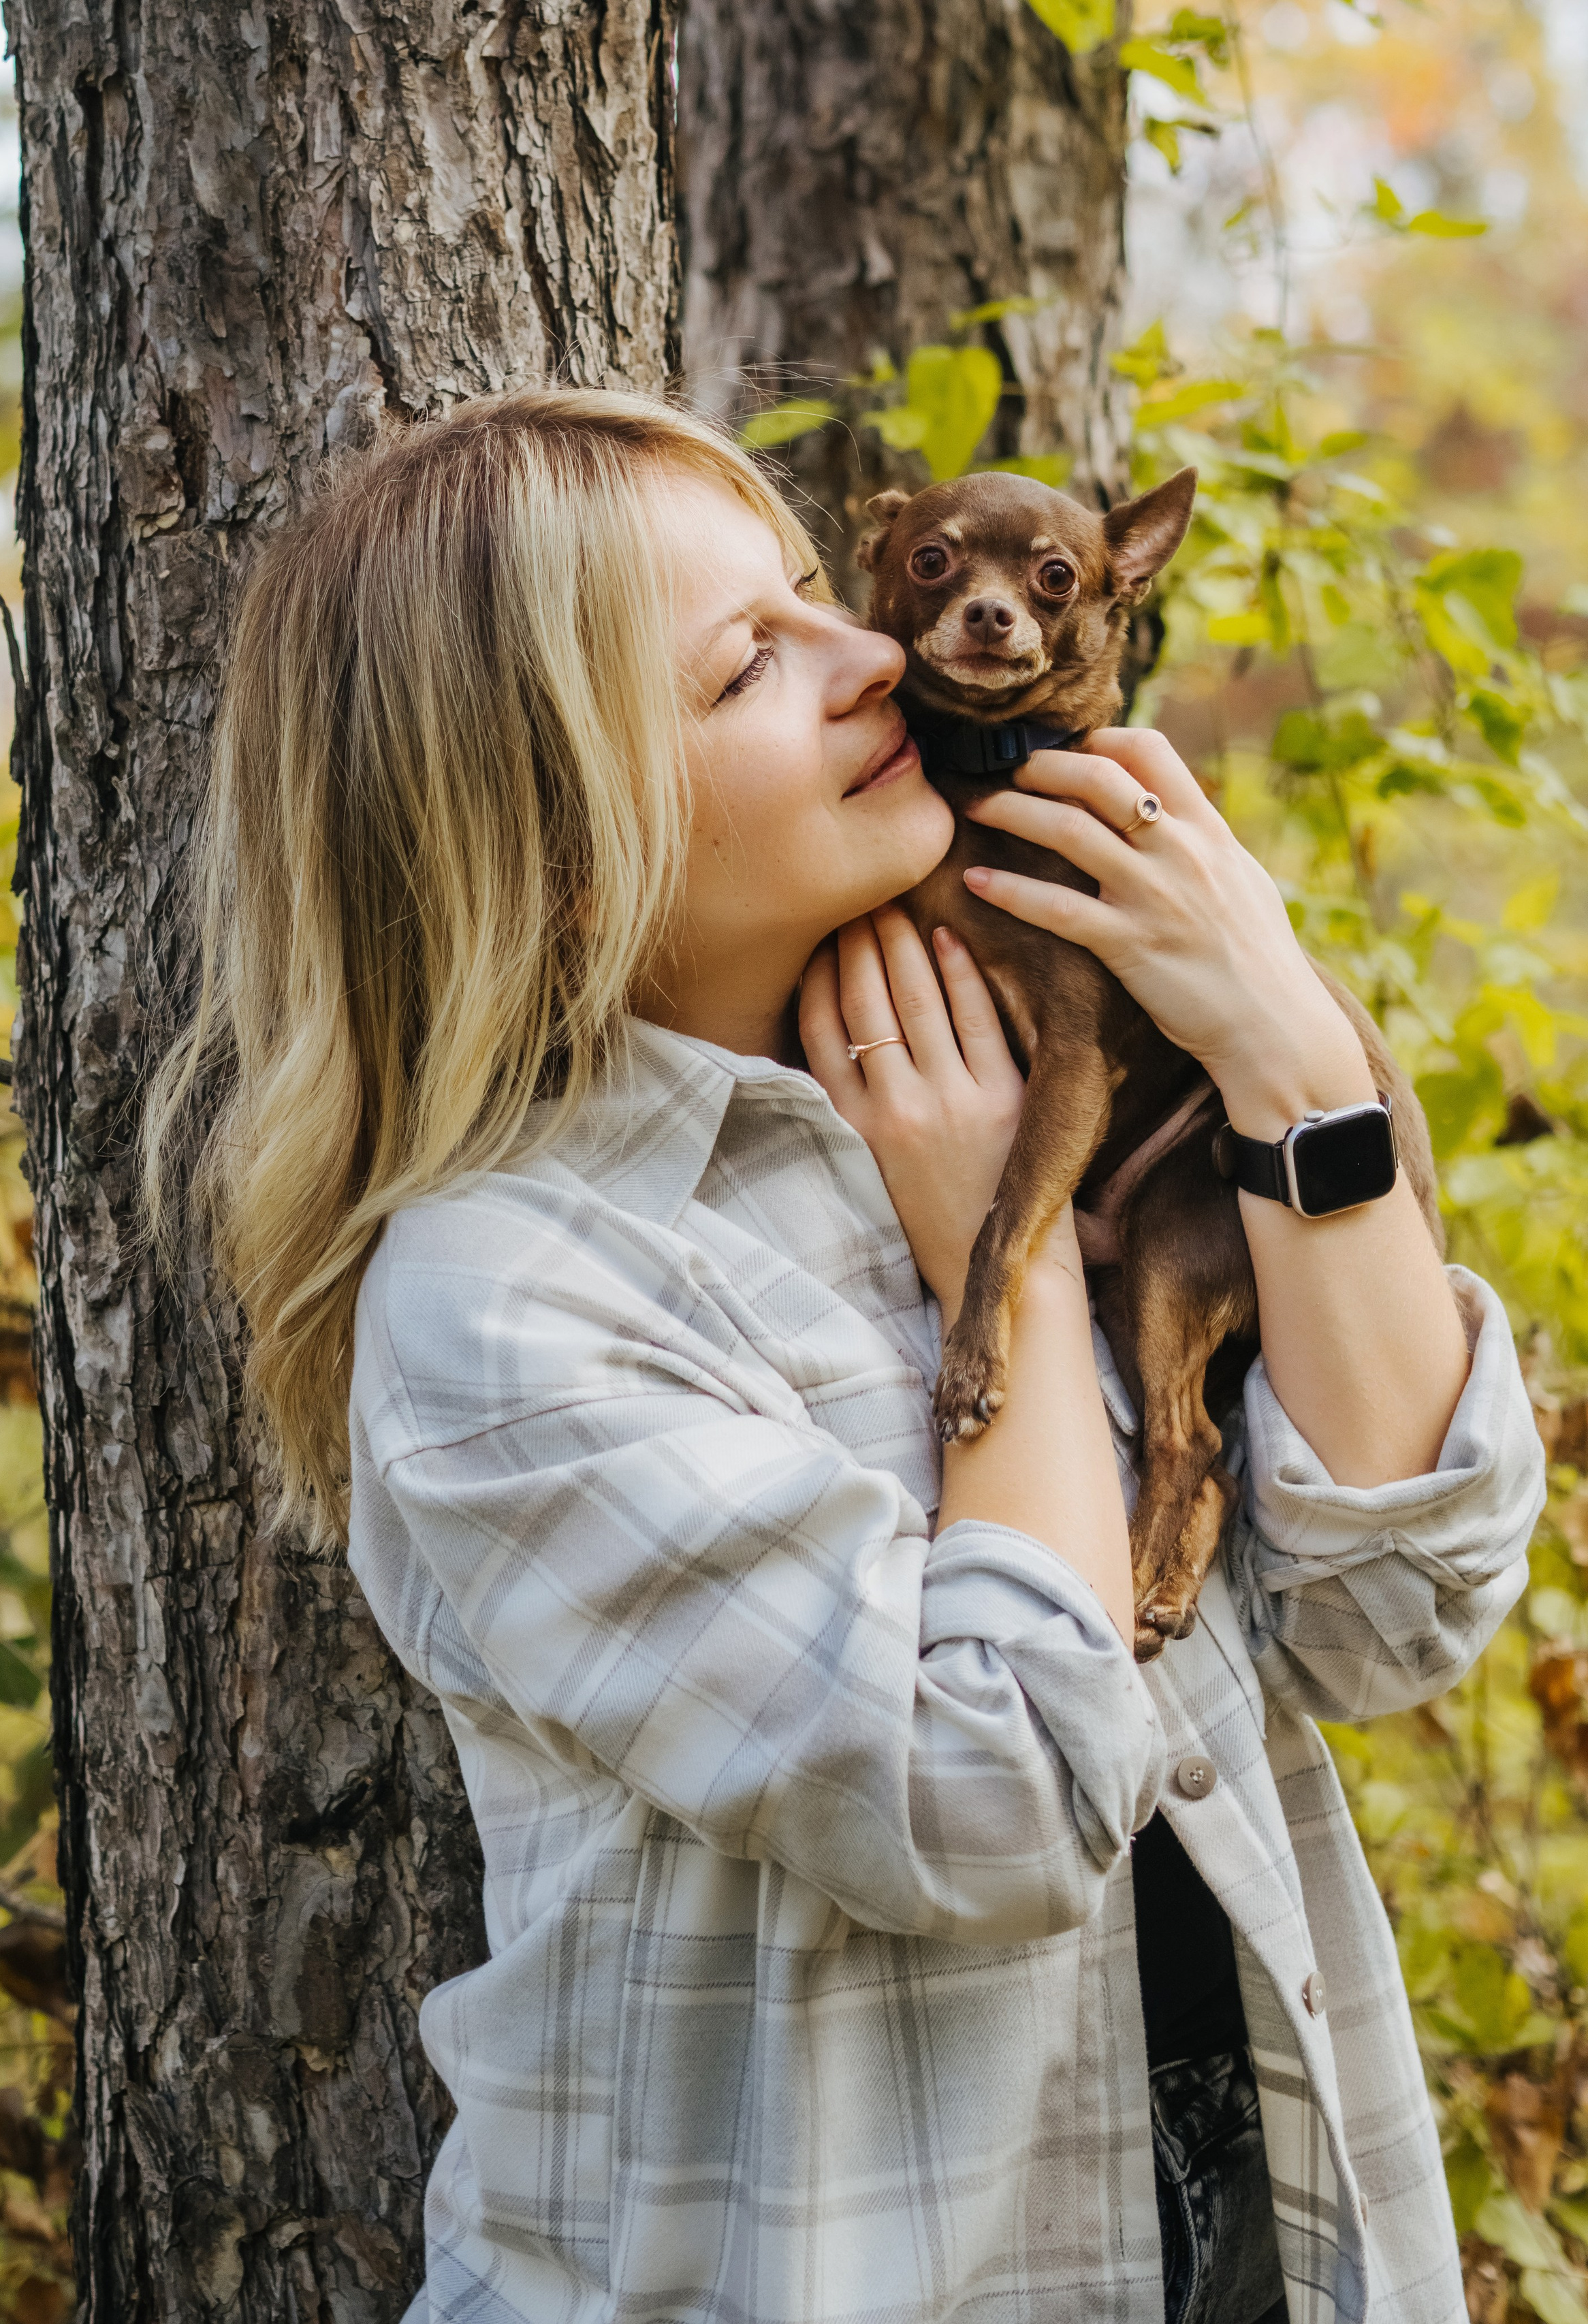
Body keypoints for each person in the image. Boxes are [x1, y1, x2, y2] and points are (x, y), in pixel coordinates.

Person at [144, 388, 1545, 2324]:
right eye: (749, 663)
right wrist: (1007, 1270)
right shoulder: (522, 1301)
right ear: (558, 840)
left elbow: (1393, 1613)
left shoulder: (977, 1058)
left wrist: (1287, 1049)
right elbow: (997, 1803)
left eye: (817, 590)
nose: (875, 653)